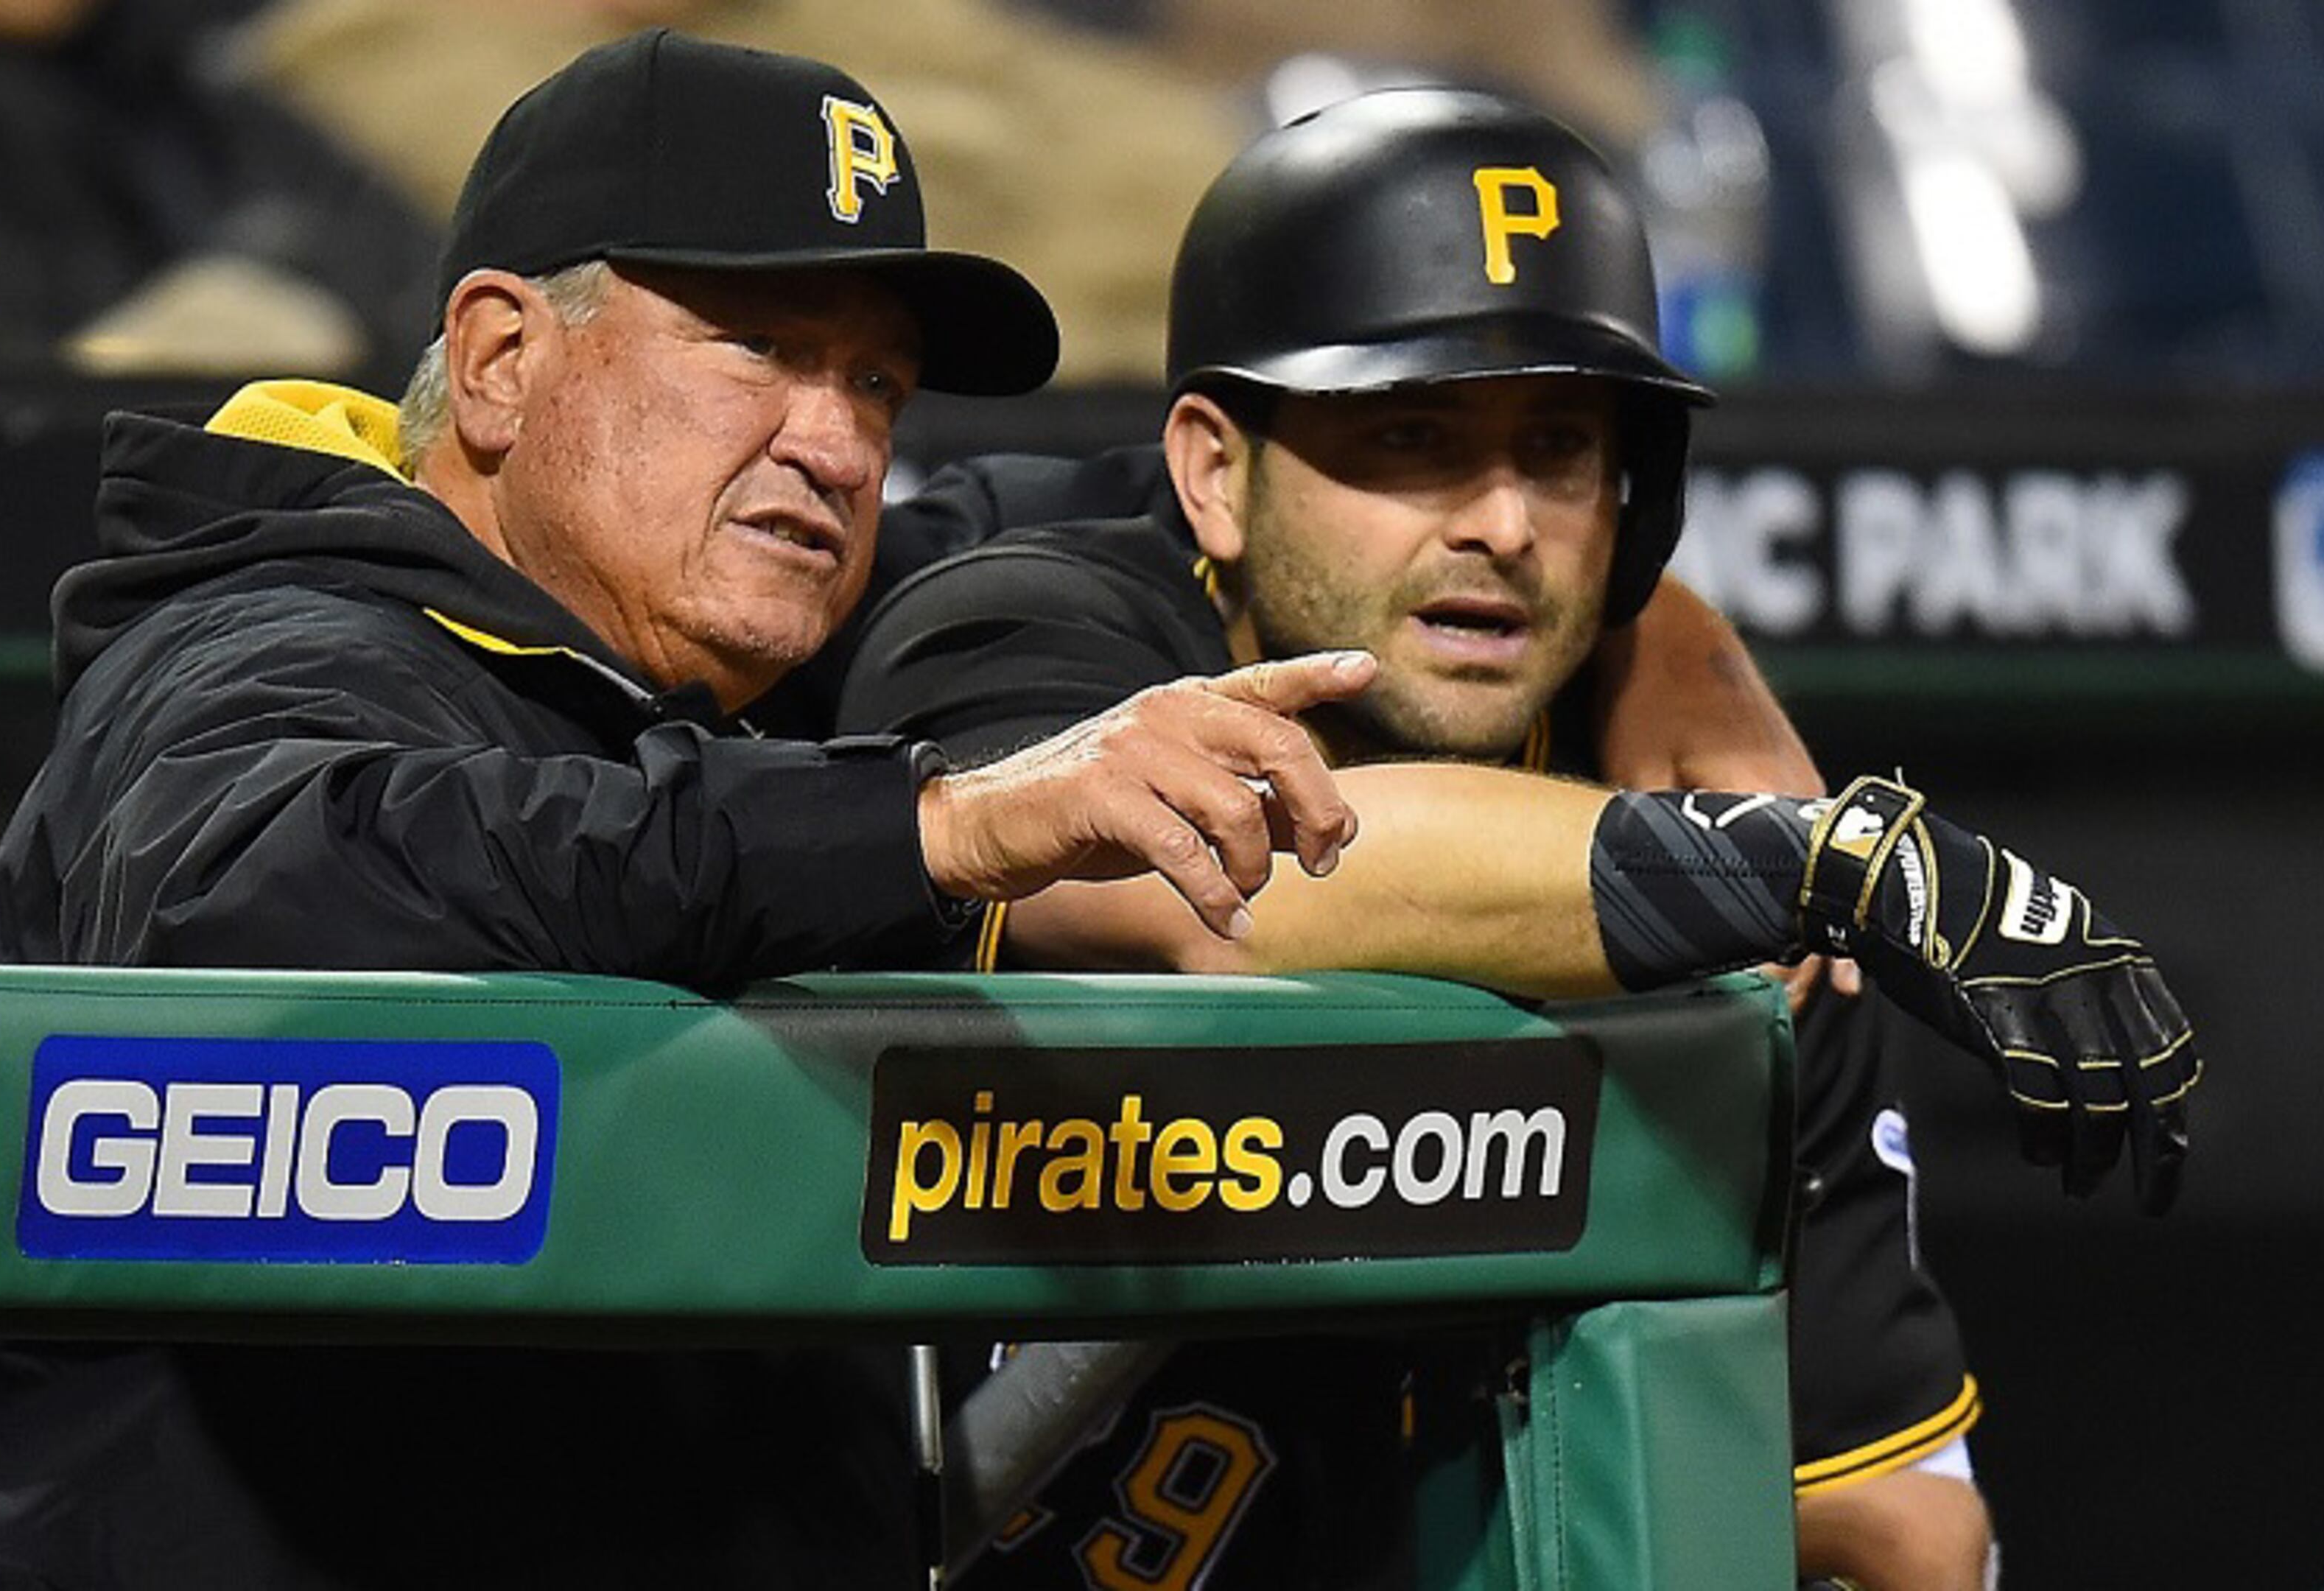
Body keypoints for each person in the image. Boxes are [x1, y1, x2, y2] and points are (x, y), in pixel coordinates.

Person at [0, 30, 1377, 1589]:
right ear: (503, 361)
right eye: (761, 349)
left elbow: (1027, 509)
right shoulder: (273, 645)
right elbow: (276, 889)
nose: (841, 446)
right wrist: (931, 826)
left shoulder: (711, 645)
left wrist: (1585, 592)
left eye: (876, 385)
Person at [839, 87, 2200, 1589]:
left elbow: (1899, 1534)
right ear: (1217, 473)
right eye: (1412, 436)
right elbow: (1218, 887)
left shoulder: (1734, 878)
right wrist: (1805, 866)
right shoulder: (1024, 633)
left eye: (1558, 449)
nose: (1502, 519)